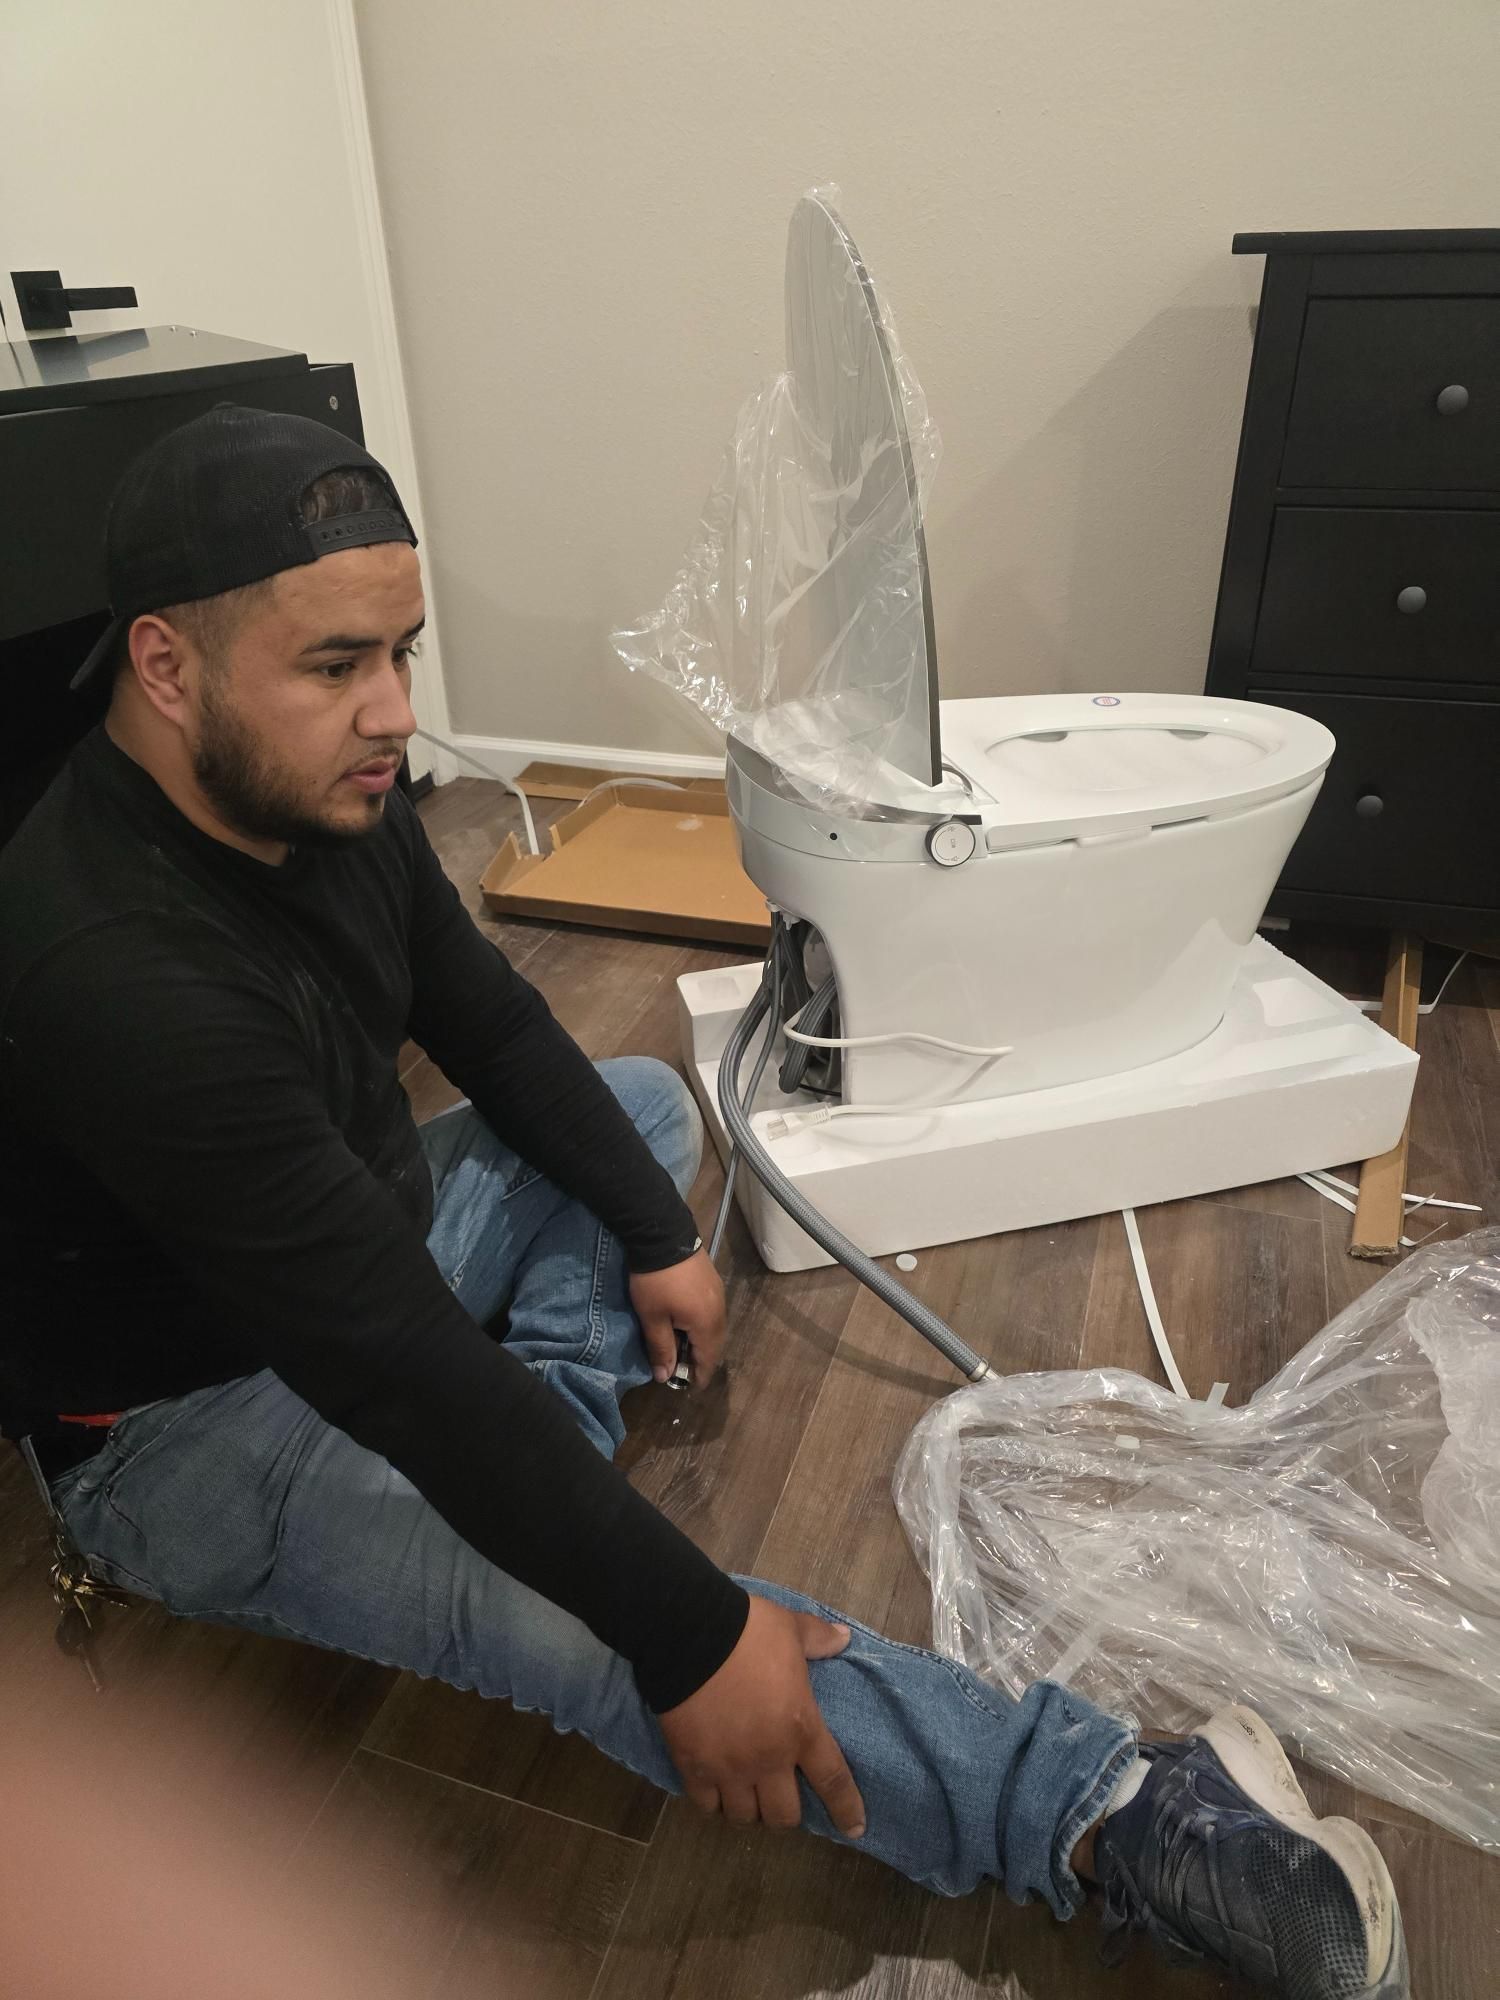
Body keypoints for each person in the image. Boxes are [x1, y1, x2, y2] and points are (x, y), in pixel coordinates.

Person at [0, 407, 1407, 2000]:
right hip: (192, 1423)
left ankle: (542, 1463)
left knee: (643, 1111)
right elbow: (386, 1358)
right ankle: (1114, 1813)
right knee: (615, 1620)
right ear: (166, 668)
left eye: (403, 650)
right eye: (335, 666)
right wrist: (684, 1633)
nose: (394, 713)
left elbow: (494, 1022)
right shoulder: (112, 973)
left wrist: (661, 1234)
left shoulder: (321, 789)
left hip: (353, 1247)